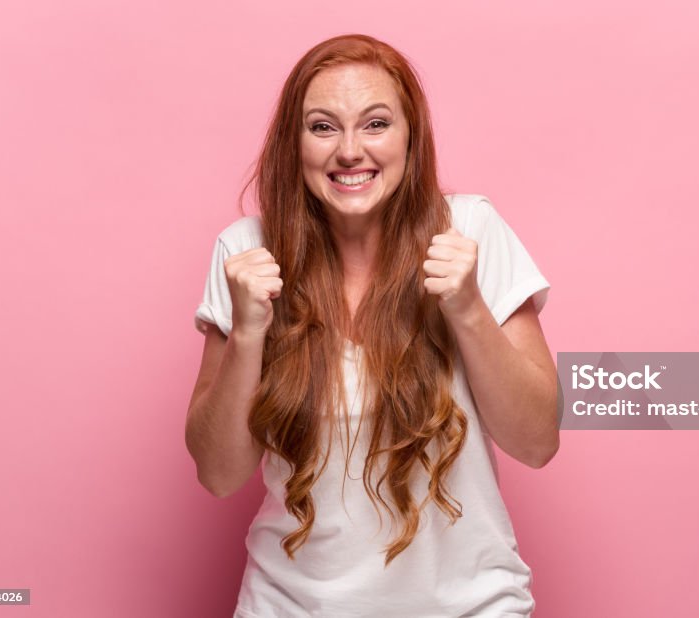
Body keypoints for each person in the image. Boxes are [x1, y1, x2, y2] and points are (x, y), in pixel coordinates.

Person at [186, 33, 559, 618]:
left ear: (412, 138)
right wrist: (249, 334)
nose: (350, 151)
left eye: (376, 123)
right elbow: (217, 473)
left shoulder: (472, 230)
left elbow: (537, 441)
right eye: (323, 127)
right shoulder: (245, 253)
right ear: (295, 144)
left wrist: (466, 309)